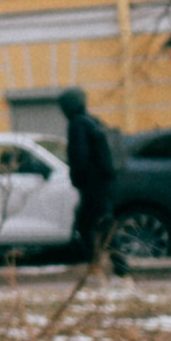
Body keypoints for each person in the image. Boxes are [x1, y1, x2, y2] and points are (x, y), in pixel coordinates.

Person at [58, 88, 125, 270]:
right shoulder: (93, 121)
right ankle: (102, 265)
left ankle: (109, 267)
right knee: (96, 223)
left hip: (91, 186)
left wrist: (77, 179)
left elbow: (80, 157)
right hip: (105, 183)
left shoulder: (77, 125)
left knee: (91, 225)